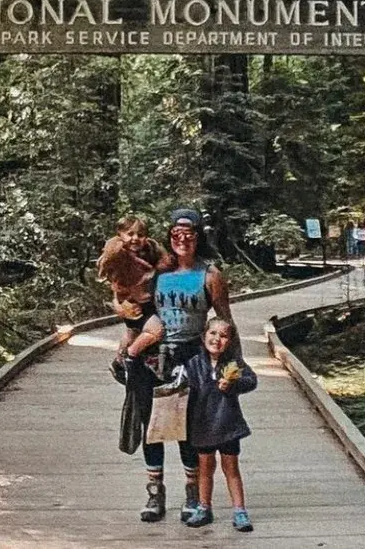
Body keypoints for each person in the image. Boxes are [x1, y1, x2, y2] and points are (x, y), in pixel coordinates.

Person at [137, 207, 234, 525]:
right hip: (153, 356)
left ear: (198, 237)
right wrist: (125, 351)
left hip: (193, 357)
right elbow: (134, 313)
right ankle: (155, 492)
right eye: (175, 235)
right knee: (151, 428)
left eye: (188, 235)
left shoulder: (210, 275)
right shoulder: (157, 274)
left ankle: (192, 494)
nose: (181, 240)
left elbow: (223, 319)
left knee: (188, 428)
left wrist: (232, 364)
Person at [182, 318, 257, 531]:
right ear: (204, 335)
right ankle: (204, 507)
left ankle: (240, 510)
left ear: (230, 341)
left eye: (223, 336)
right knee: (205, 468)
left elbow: (251, 381)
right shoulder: (194, 363)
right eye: (213, 333)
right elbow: (181, 385)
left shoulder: (234, 363)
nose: (217, 339)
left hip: (227, 424)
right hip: (202, 424)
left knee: (231, 467)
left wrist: (234, 384)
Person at [96, 216, 169, 371]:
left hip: (146, 301)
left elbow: (165, 261)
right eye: (130, 234)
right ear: (120, 235)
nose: (135, 239)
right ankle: (130, 355)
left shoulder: (148, 250)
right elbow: (107, 259)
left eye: (140, 235)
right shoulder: (120, 254)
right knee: (156, 331)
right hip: (132, 303)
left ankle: (119, 361)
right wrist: (117, 243)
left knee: (132, 333)